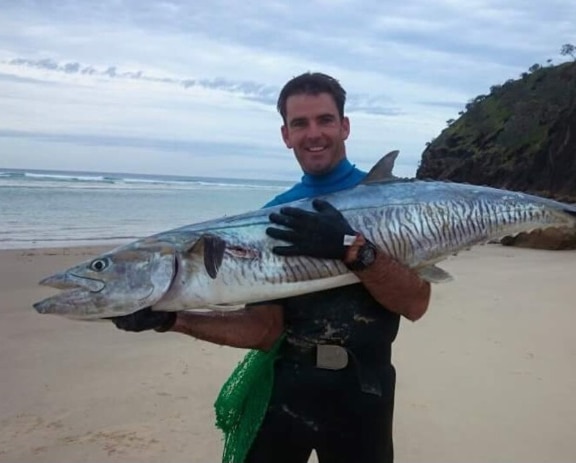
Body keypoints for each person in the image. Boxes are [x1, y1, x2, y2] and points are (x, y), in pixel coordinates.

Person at [111, 72, 432, 463]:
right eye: (300, 123)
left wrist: (352, 248)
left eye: (325, 120)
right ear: (286, 135)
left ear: (345, 126)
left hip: (365, 390)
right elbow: (263, 330)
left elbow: (415, 303)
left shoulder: (393, 204)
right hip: (287, 386)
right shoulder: (270, 218)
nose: (313, 133)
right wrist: (170, 320)